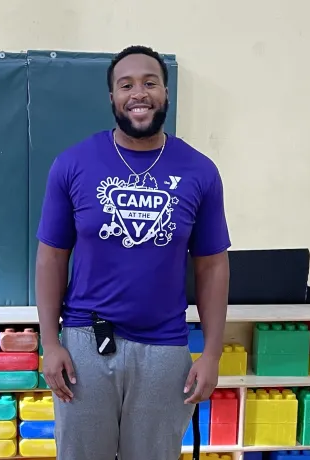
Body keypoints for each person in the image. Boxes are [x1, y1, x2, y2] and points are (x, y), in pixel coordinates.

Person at [34, 44, 231, 460]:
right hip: (85, 344)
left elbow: (212, 266)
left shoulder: (200, 171)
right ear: (112, 97)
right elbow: (51, 258)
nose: (138, 93)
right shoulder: (72, 164)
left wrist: (212, 353)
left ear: (166, 93)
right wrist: (50, 343)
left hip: (164, 347)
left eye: (149, 83)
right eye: (126, 85)